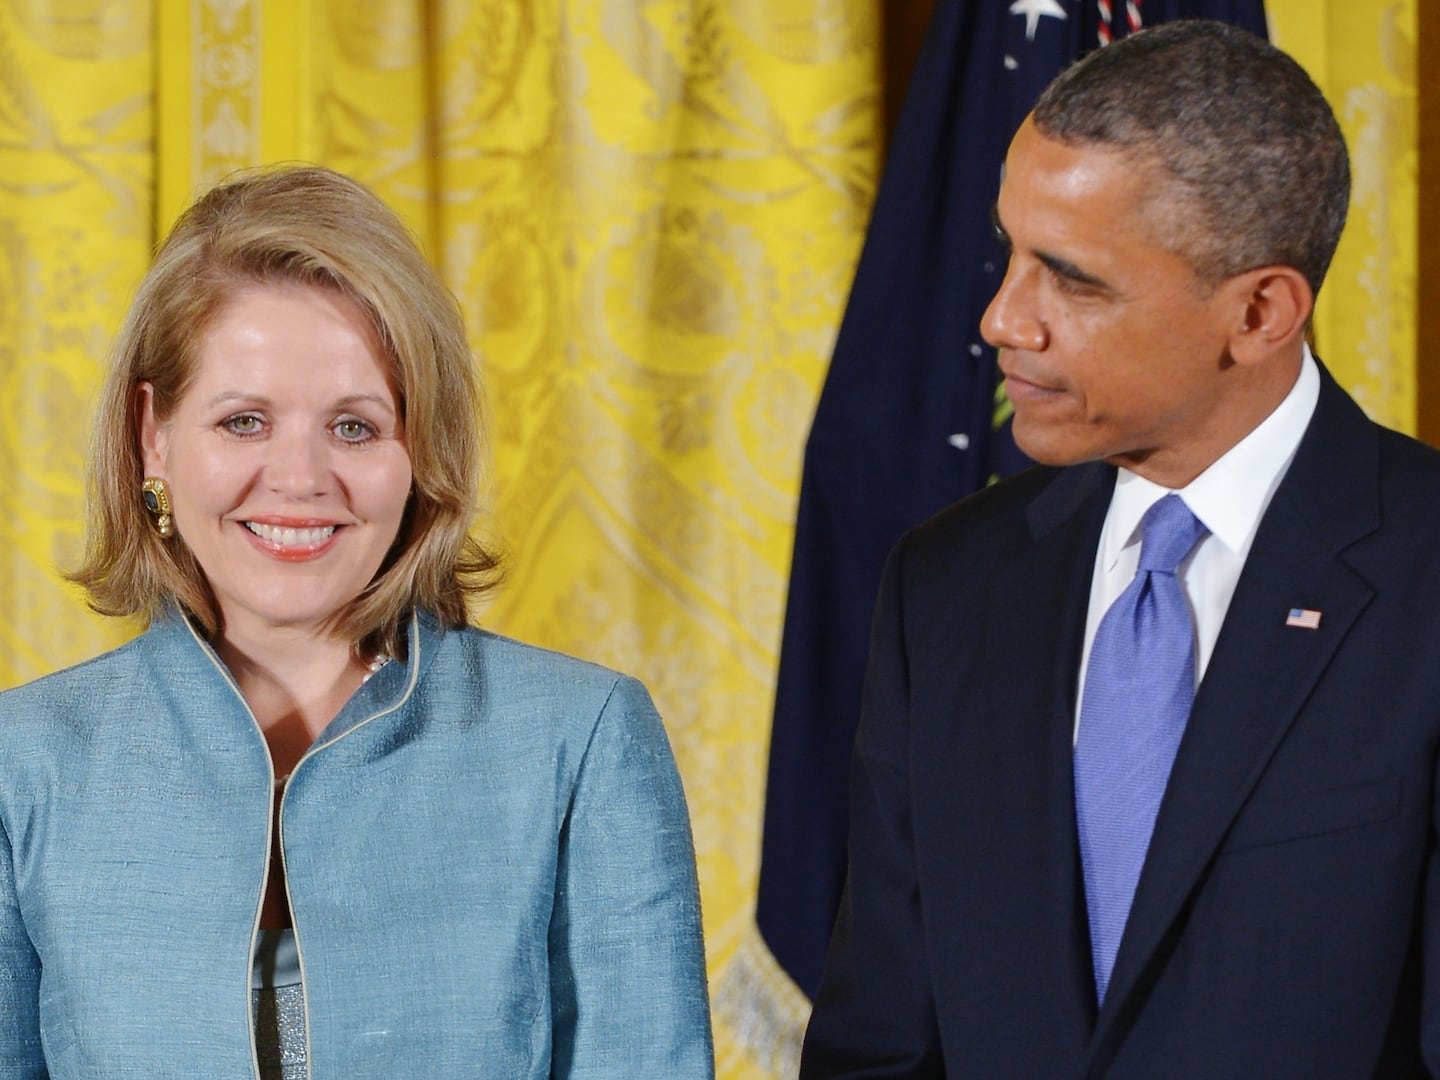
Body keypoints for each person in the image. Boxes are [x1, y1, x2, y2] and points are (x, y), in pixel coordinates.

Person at [801, 19, 1440, 1077]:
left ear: (1260, 312)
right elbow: (880, 1046)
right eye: (1009, 251)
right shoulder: (945, 585)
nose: (1003, 320)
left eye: (1073, 279)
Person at [0, 166, 714, 1077]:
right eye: (245, 421)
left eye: (354, 427)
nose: (300, 480)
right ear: (154, 436)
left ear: (419, 449)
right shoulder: (23, 764)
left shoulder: (582, 741)